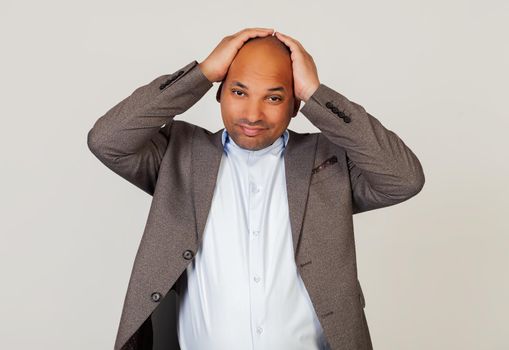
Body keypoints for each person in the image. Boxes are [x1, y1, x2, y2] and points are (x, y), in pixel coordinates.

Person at [87, 27, 425, 350]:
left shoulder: (329, 160)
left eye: (274, 97)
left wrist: (316, 94)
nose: (253, 114)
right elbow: (107, 140)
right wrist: (202, 73)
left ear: (295, 106)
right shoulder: (179, 153)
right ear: (219, 92)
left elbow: (404, 179)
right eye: (238, 92)